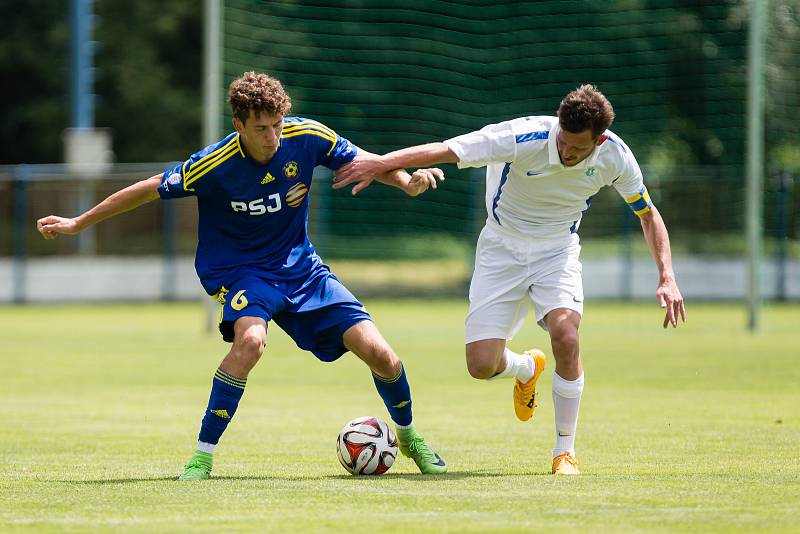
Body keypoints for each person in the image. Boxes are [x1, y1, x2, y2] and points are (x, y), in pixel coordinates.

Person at [36, 71, 447, 480]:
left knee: (383, 355)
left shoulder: (308, 136)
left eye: (278, 126)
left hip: (302, 270)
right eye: (261, 129)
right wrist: (79, 222)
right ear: (239, 126)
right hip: (241, 272)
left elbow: (367, 163)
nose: (273, 137)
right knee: (251, 342)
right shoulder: (213, 164)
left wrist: (407, 182)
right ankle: (201, 457)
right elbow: (146, 189)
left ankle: (410, 437)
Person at [333, 84, 686, 475]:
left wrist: (667, 276)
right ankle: (525, 368)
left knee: (566, 336)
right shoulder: (523, 136)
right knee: (481, 365)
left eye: (578, 149)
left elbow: (648, 214)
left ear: (598, 140)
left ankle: (564, 452)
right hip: (501, 248)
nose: (567, 153)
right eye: (564, 143)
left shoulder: (616, 156)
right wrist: (377, 163)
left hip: (558, 250)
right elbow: (445, 149)